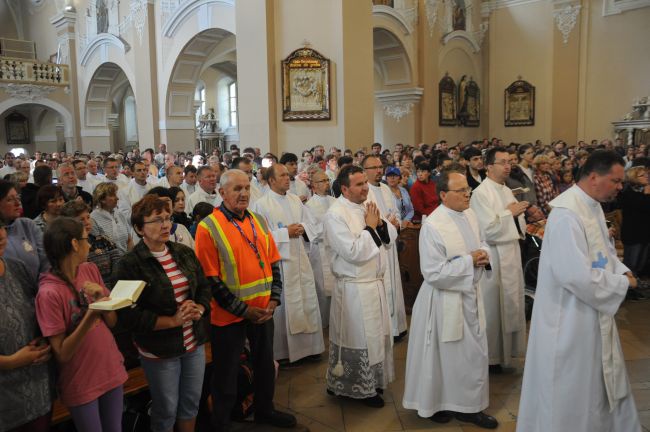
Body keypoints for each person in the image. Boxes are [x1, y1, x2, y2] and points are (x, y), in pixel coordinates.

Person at [517, 150, 642, 432]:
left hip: (591, 314)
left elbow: (602, 252)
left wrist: (622, 270)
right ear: (594, 176)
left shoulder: (593, 205)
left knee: (595, 385)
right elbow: (573, 274)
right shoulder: (566, 214)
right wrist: (623, 284)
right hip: (569, 320)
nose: (620, 187)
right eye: (616, 180)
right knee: (569, 389)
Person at [194, 169, 297, 431]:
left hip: (263, 311)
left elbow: (273, 263)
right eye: (237, 189)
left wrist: (274, 300)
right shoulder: (208, 227)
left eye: (247, 188)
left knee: (264, 365)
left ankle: (265, 410)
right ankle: (222, 422)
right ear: (222, 193)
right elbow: (211, 280)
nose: (243, 193)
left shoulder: (258, 221)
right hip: (229, 315)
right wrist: (244, 310)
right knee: (226, 374)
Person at [402, 169, 497, 428]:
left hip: (469, 295)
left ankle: (469, 406)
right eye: (461, 190)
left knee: (471, 354)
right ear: (443, 195)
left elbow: (483, 242)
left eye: (468, 189)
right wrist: (470, 260)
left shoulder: (470, 214)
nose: (468, 194)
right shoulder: (433, 225)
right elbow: (433, 272)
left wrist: (483, 253)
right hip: (443, 301)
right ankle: (437, 403)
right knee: (443, 358)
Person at [113, 195, 212, 432]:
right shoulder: (129, 264)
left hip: (193, 342)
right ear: (139, 228)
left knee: (190, 403)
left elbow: (203, 286)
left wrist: (199, 307)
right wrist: (172, 321)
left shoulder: (182, 252)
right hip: (161, 349)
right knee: (165, 409)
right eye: (157, 220)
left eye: (167, 218)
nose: (165, 225)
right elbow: (126, 315)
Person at [36, 217, 127, 432]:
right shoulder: (49, 293)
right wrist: (90, 316)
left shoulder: (89, 269)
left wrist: (101, 299)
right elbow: (62, 354)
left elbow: (112, 322)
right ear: (74, 244)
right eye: (86, 239)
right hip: (81, 379)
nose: (90, 245)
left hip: (109, 367)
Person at [324, 165, 394, 408]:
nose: (366, 187)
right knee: (358, 338)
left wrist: (381, 226)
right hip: (354, 289)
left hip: (373, 285)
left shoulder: (366, 205)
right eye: (359, 184)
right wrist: (371, 227)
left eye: (366, 182)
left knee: (374, 338)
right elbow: (352, 252)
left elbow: (387, 235)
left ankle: (371, 382)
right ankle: (354, 386)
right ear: (344, 188)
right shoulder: (335, 214)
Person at [251, 164, 324, 363]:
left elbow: (312, 224)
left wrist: (303, 228)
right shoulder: (261, 205)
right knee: (286, 305)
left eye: (287, 175)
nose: (287, 178)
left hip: (300, 257)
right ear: (271, 180)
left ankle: (310, 348)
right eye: (282, 175)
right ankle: (283, 353)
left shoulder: (295, 200)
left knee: (306, 298)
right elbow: (258, 238)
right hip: (281, 263)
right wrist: (285, 233)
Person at [470, 147, 527, 369]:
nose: (507, 166)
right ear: (488, 166)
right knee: (493, 306)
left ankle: (508, 353)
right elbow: (486, 230)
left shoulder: (506, 190)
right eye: (502, 162)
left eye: (509, 162)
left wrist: (518, 215)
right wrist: (510, 214)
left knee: (511, 303)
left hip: (511, 253)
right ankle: (492, 356)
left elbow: (517, 224)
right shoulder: (481, 193)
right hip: (494, 255)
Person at [0, 222, 53, 432]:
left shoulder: (15, 266)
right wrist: (11, 362)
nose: (0, 235)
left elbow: (35, 312)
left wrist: (45, 340)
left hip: (37, 389)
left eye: (1, 227)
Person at [362, 156, 408, 340]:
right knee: (384, 285)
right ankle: (385, 329)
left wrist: (394, 221)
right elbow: (369, 216)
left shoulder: (386, 189)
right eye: (374, 167)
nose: (379, 170)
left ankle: (396, 327)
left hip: (390, 243)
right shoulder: (365, 191)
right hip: (377, 245)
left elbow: (394, 211)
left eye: (380, 167)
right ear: (364, 170)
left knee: (394, 284)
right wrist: (385, 223)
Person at [60, 200, 122, 288]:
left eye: (88, 217)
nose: (87, 222)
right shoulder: (67, 248)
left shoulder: (103, 240)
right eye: (81, 219)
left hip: (113, 289)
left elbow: (118, 265)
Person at [0, 180, 50, 282]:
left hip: (39, 291)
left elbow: (46, 260)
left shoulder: (27, 225)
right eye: (9, 200)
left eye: (18, 197)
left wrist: (44, 288)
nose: (18, 203)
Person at [305, 170, 336, 328]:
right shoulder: (309, 205)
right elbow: (312, 231)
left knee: (336, 286)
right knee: (322, 288)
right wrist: (330, 228)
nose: (326, 183)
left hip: (336, 249)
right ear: (314, 186)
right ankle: (324, 323)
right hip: (320, 250)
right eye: (322, 181)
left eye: (327, 180)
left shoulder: (334, 201)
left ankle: (336, 320)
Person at [618, 165, 650, 298]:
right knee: (631, 263)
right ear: (634, 178)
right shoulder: (628, 192)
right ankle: (627, 290)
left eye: (646, 174)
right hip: (633, 233)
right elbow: (642, 208)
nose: (647, 177)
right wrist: (647, 194)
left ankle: (635, 284)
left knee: (640, 262)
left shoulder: (643, 190)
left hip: (645, 232)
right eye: (642, 175)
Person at [90, 182, 133, 254]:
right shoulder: (93, 218)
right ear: (102, 199)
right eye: (112, 195)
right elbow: (97, 248)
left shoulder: (120, 214)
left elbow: (129, 240)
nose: (117, 198)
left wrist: (129, 258)